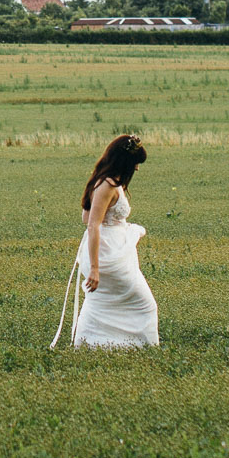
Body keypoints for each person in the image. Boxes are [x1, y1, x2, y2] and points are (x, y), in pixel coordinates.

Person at [52, 133, 159, 348]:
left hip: (115, 249)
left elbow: (87, 216)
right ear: (124, 162)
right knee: (144, 304)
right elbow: (92, 225)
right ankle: (142, 346)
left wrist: (116, 225)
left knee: (103, 301)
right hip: (107, 253)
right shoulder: (107, 186)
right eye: (135, 164)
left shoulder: (105, 180)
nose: (137, 169)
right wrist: (94, 268)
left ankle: (94, 344)